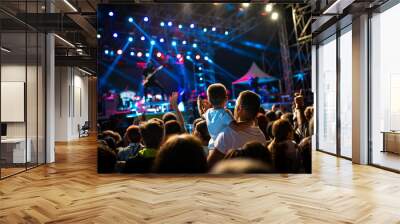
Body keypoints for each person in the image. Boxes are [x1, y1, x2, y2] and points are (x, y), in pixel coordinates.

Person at [207, 90, 266, 168]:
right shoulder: (261, 136)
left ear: (239, 108)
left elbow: (210, 164)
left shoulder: (227, 134)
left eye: (236, 104)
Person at [197, 83, 242, 150]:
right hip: (224, 149)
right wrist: (246, 121)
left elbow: (202, 114)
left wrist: (199, 106)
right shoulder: (224, 114)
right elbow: (237, 128)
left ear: (209, 100)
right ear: (226, 98)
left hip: (212, 147)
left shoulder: (208, 112)